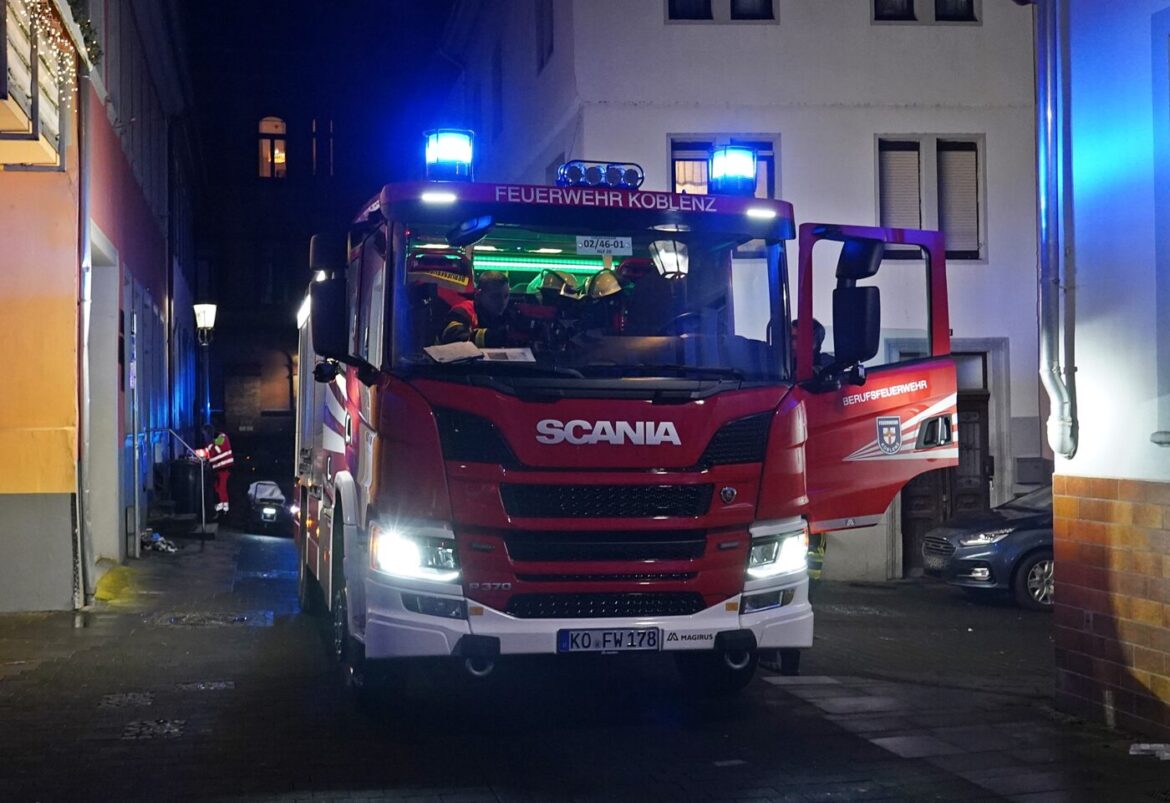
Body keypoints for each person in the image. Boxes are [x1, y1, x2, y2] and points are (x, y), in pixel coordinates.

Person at [438, 270, 519, 347]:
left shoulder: (511, 314)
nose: (502, 302)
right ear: (479, 295)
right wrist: (497, 337)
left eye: (506, 296)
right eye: (495, 296)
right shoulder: (462, 312)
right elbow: (454, 337)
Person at [198, 423, 234, 515]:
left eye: (204, 434)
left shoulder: (221, 437)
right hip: (219, 468)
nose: (204, 437)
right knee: (218, 488)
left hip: (224, 468)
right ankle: (222, 509)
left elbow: (213, 451)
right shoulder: (214, 441)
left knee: (221, 488)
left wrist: (198, 453)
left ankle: (224, 509)